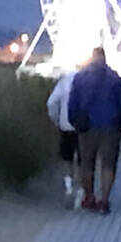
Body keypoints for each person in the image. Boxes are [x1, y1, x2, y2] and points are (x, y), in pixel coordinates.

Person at [68, 47, 121, 215]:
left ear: (91, 58)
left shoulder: (80, 78)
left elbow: (72, 103)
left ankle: (89, 197)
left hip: (87, 126)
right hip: (110, 125)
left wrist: (75, 121)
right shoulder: (115, 79)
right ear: (105, 58)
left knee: (86, 164)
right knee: (108, 164)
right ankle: (105, 200)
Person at [46, 69, 79, 209]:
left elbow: (51, 103)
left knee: (67, 159)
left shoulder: (63, 82)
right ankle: (82, 190)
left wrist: (56, 120)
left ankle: (69, 187)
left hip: (65, 125)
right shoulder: (85, 81)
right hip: (83, 127)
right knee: (83, 160)